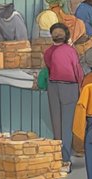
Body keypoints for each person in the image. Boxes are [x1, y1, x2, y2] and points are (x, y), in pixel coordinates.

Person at [36, 23, 84, 168]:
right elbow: (77, 70)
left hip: (53, 87)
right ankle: (65, 159)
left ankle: (58, 157)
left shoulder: (48, 52)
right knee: (67, 125)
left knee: (56, 124)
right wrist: (81, 87)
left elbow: (49, 68)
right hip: (69, 87)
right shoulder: (71, 51)